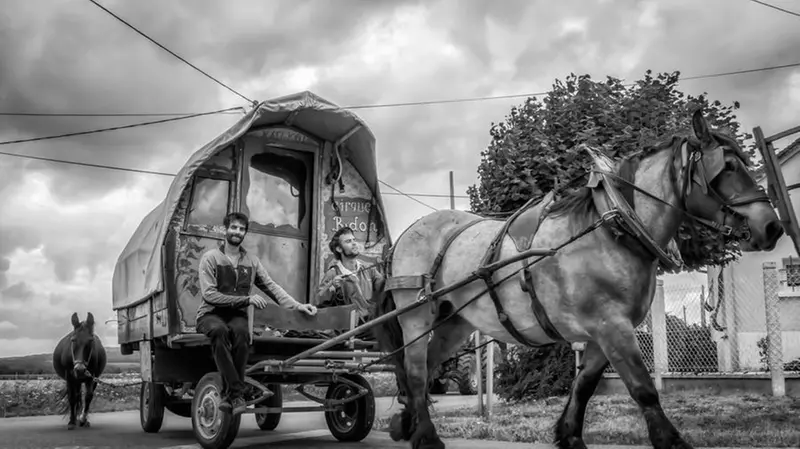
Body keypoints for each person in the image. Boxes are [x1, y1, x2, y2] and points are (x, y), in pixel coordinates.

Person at [196, 211, 317, 415]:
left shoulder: (251, 261)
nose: (237, 231)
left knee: (243, 334)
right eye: (234, 227)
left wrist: (298, 306)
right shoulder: (210, 258)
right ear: (225, 230)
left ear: (245, 233)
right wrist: (246, 299)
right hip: (210, 314)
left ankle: (232, 395)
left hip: (237, 316)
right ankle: (236, 392)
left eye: (242, 229)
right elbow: (209, 295)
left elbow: (271, 287)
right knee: (219, 332)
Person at [316, 227, 384, 327]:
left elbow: (383, 287)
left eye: (354, 240)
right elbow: (319, 300)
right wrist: (332, 287)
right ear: (339, 249)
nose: (354, 243)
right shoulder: (333, 273)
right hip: (345, 329)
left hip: (370, 325)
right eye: (348, 241)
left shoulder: (369, 269)